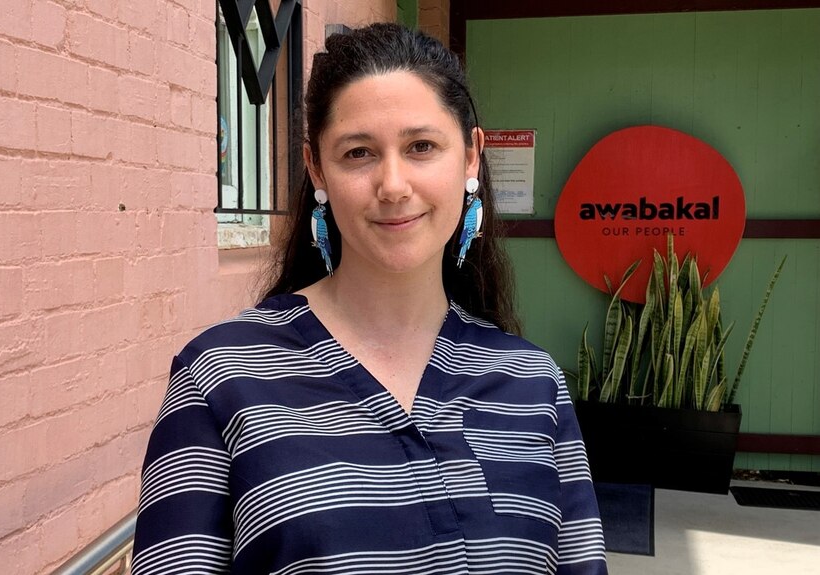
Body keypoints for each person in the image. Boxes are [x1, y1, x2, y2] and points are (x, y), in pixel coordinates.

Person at [131, 22, 607, 575]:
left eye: (421, 146)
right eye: (359, 153)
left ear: (472, 156)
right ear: (317, 170)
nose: (393, 184)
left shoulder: (533, 382)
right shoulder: (219, 375)